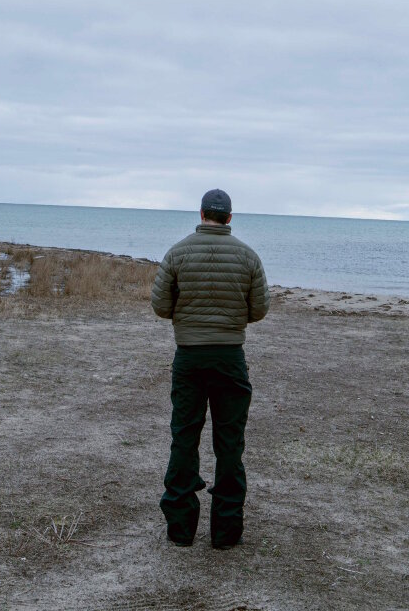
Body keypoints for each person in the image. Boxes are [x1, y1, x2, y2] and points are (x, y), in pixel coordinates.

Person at [151, 188, 270, 549]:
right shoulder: (248, 256)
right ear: (229, 218)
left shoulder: (177, 252)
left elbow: (160, 305)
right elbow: (259, 309)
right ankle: (226, 532)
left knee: (184, 438)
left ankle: (181, 529)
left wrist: (188, 318)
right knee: (230, 444)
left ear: (201, 214)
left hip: (189, 357)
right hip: (230, 357)